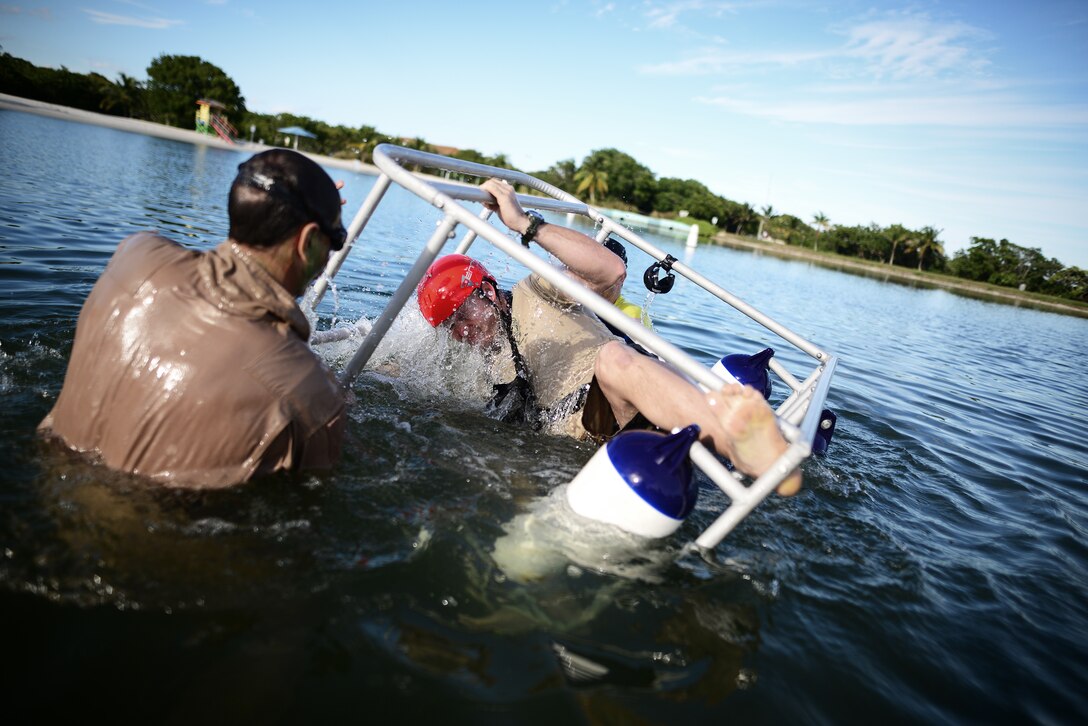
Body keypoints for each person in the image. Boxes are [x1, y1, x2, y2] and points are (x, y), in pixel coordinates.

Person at [417, 179, 801, 495]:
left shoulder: (536, 289)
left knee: (613, 359)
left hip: (612, 398)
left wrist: (525, 225)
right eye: (451, 327)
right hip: (569, 446)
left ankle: (748, 450)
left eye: (463, 315)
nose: (462, 332)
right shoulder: (469, 364)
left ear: (487, 291)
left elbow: (610, 271)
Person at [38, 149, 348, 488]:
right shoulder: (312, 394)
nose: (330, 254)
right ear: (306, 242)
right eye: (334, 241)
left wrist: (298, 218)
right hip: (146, 533)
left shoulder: (135, 255)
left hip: (47, 473)